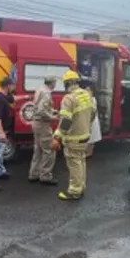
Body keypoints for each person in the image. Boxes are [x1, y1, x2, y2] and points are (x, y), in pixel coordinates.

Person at [52, 71, 96, 201]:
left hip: (73, 138)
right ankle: (81, 187)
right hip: (85, 136)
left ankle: (74, 191)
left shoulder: (69, 98)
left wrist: (57, 137)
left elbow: (66, 120)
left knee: (74, 164)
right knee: (81, 162)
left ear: (67, 84)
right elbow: (93, 113)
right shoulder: (87, 95)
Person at [28, 75, 59, 185]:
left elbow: (39, 107)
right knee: (49, 150)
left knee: (38, 149)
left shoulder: (40, 89)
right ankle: (45, 176)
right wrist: (52, 117)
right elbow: (42, 110)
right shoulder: (47, 93)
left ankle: (34, 173)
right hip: (43, 125)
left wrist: (52, 111)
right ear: (52, 83)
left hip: (36, 123)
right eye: (55, 82)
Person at [81, 78, 102, 158]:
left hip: (92, 121)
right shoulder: (87, 99)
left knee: (92, 138)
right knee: (88, 138)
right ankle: (86, 154)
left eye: (88, 90)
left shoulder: (92, 99)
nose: (87, 91)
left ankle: (88, 154)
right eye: (86, 90)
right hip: (88, 120)